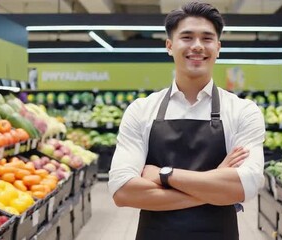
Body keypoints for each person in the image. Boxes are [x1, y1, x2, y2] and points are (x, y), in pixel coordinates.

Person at [108, 2, 265, 240]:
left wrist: (164, 174)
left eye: (207, 38)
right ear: (170, 46)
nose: (198, 46)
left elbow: (245, 186)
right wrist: (215, 182)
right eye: (187, 37)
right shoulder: (140, 110)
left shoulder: (243, 111)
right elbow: (122, 191)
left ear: (218, 47)